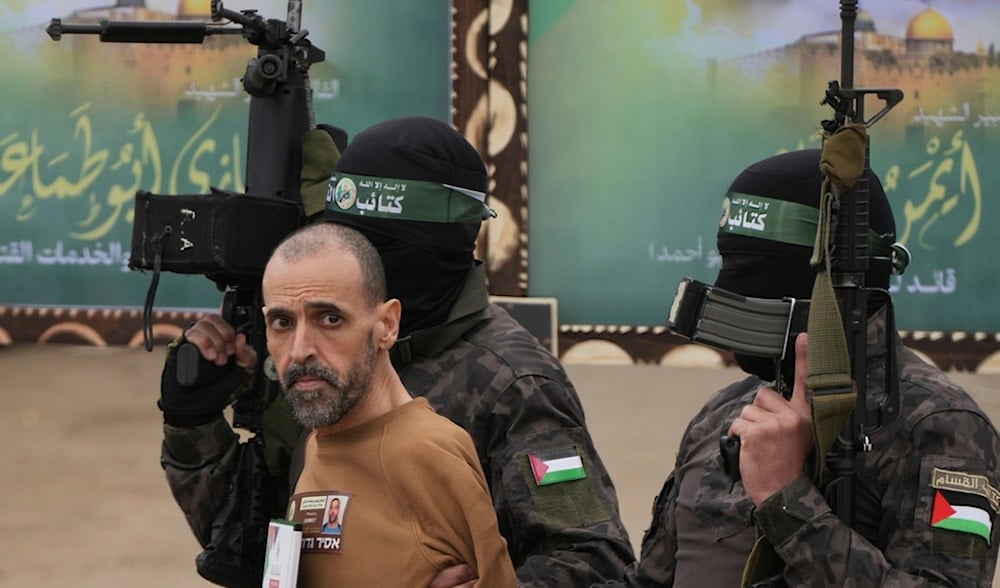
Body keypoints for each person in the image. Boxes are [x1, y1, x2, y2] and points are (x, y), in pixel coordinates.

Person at [159, 116, 634, 587]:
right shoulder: (324, 358)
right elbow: (261, 557)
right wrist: (193, 425)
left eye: (374, 249)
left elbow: (594, 562)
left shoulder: (511, 383)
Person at [623, 148, 1000, 586]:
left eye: (757, 272)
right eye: (730, 265)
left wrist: (788, 498)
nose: (732, 289)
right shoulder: (722, 412)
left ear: (829, 285)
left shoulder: (940, 428)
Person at [258, 221, 515, 586]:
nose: (300, 350)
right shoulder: (317, 443)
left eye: (330, 319)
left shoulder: (427, 453)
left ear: (387, 325)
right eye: (282, 322)